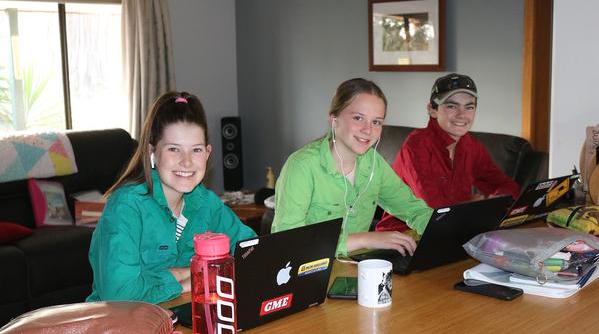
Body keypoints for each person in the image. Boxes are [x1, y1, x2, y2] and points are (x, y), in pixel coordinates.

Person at [87, 91, 256, 304]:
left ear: (207, 153)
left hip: (185, 315)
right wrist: (185, 279)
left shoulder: (207, 203)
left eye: (196, 150)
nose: (186, 162)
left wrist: (177, 275)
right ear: (152, 153)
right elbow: (119, 295)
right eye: (174, 149)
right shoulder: (126, 207)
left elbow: (250, 253)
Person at [271, 78, 433, 257]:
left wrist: (449, 232)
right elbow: (287, 241)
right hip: (308, 274)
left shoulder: (374, 164)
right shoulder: (301, 166)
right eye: (358, 118)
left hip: (355, 270)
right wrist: (364, 239)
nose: (368, 130)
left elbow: (414, 210)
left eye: (376, 122)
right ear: (334, 119)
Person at [376, 73, 520, 232]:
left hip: (458, 229)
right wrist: (476, 206)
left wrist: (497, 199)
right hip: (405, 236)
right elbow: (433, 211)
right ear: (432, 110)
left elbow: (507, 186)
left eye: (469, 107)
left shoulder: (471, 145)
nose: (462, 114)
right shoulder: (417, 145)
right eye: (451, 106)